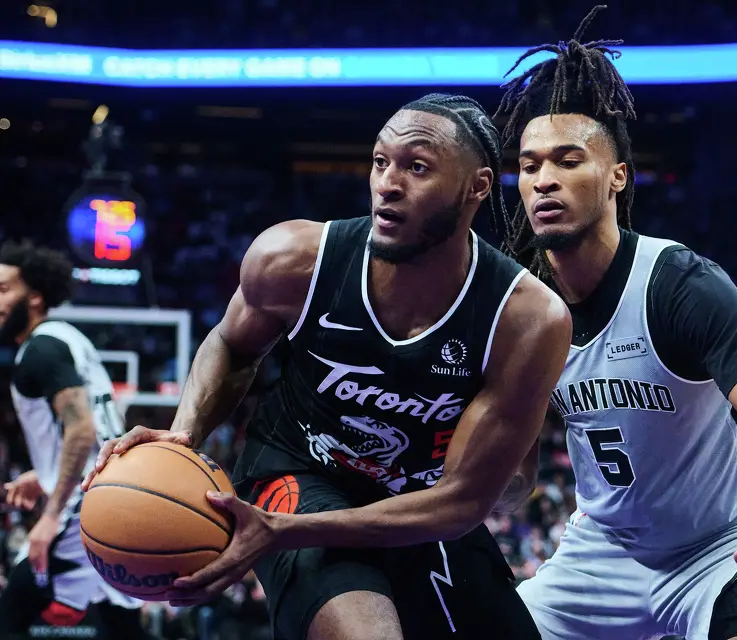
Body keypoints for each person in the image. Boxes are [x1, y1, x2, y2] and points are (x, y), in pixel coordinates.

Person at [83, 93, 571, 640]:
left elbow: (461, 503)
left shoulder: (526, 318)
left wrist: (510, 471)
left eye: (417, 167)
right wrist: (183, 434)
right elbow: (232, 345)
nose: (387, 182)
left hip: (419, 504)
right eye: (380, 161)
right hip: (295, 472)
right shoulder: (294, 259)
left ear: (477, 186)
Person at [494, 6, 737, 640]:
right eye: (530, 166)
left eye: (567, 160)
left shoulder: (676, 283)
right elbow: (516, 473)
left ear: (616, 176)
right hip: (602, 554)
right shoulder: (522, 305)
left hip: (719, 543)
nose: (544, 181)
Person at [0, 240, 150, 639]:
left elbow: (82, 430)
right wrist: (46, 473)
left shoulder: (39, 353)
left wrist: (49, 518)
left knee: (12, 612)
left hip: (86, 503)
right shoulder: (69, 337)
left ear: (34, 297)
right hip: (115, 490)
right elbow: (95, 426)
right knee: (119, 620)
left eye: (3, 290)